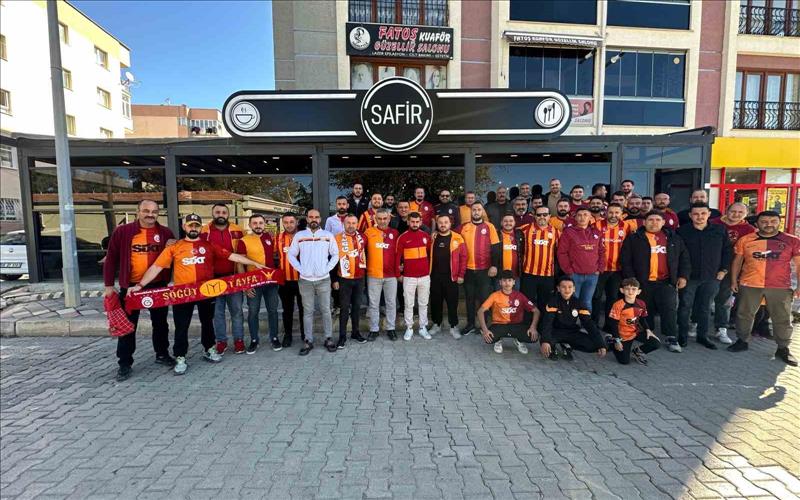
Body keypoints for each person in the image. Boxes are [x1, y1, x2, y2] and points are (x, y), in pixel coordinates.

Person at [129, 214, 266, 375]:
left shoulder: (209, 245)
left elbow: (231, 256)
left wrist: (254, 263)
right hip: (183, 294)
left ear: (201, 228)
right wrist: (140, 285)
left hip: (205, 292)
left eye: (196, 225)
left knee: (207, 323)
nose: (193, 228)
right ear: (184, 227)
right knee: (182, 326)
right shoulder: (175, 247)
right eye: (190, 225)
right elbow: (156, 267)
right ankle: (180, 356)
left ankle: (209, 349)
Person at [103, 199, 176, 381]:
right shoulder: (123, 231)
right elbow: (111, 258)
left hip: (158, 285)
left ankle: (162, 354)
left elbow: (174, 256)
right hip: (131, 287)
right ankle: (125, 363)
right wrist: (109, 285)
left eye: (154, 211)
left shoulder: (166, 233)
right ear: (138, 211)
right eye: (146, 211)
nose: (150, 214)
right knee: (128, 326)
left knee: (161, 323)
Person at [728, 211, 800, 366]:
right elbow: (737, 261)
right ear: (757, 223)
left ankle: (783, 348)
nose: (769, 224)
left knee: (782, 317)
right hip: (750, 283)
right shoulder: (746, 240)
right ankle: (742, 341)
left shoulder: (792, 240)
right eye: (764, 221)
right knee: (744, 314)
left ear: (779, 222)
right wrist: (733, 280)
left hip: (780, 286)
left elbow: (799, 264)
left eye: (773, 221)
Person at [620, 211, 690, 353]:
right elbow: (626, 261)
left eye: (658, 220)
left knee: (669, 309)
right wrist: (631, 280)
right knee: (645, 309)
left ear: (663, 222)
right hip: (642, 282)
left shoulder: (674, 238)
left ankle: (671, 337)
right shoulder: (634, 238)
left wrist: (683, 276)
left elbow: (684, 258)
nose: (654, 223)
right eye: (650, 220)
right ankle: (647, 333)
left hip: (666, 282)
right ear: (644, 222)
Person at [676, 203, 732, 350]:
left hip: (712, 276)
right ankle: (682, 335)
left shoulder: (720, 230)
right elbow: (677, 255)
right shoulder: (682, 231)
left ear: (709, 214)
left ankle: (702, 336)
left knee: (705, 307)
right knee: (684, 306)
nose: (699, 217)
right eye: (696, 214)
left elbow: (727, 251)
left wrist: (724, 270)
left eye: (703, 213)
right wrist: (680, 275)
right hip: (688, 277)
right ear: (690, 215)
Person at [287, 209, 339, 356]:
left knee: (326, 310)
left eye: (316, 217)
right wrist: (301, 269)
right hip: (305, 280)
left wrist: (327, 269)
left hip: (323, 280)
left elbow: (335, 254)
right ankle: (308, 340)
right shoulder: (300, 236)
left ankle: (328, 338)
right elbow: (291, 255)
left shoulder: (328, 235)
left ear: (320, 219)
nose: (314, 219)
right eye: (311, 217)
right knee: (308, 311)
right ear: (307, 219)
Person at [200, 203, 245, 355]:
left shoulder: (238, 230)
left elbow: (245, 251)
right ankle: (221, 341)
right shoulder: (203, 231)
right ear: (213, 214)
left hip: (233, 277)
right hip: (212, 279)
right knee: (217, 313)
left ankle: (239, 340)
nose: (221, 214)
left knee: (237, 311)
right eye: (217, 212)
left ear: (228, 214)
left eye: (224, 212)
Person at [710, 202, 754, 343]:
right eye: (733, 211)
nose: (736, 215)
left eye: (740, 212)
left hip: (732, 269)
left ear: (746, 214)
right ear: (726, 211)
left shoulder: (749, 230)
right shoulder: (713, 223)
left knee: (724, 299)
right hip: (710, 267)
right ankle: (696, 323)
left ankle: (721, 328)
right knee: (704, 297)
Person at [238, 214, 281, 352]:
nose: (258, 225)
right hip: (253, 282)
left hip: (271, 282)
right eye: (255, 223)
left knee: (273, 311)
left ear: (264, 224)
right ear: (250, 225)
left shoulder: (269, 237)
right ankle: (254, 340)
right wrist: (245, 285)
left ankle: (274, 338)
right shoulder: (243, 241)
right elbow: (240, 263)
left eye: (260, 223)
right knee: (253, 312)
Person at [457, 201, 500, 336]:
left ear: (482, 212)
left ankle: (483, 325)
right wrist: (435, 233)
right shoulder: (463, 227)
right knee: (469, 298)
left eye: (479, 210)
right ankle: (470, 324)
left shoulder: (489, 226)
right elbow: (450, 235)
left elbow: (495, 248)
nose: (476, 212)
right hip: (468, 270)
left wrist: (494, 265)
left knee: (484, 299)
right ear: (471, 211)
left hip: (484, 270)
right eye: (474, 210)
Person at [539, 276, 607, 361]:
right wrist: (545, 341)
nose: (567, 290)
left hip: (571, 332)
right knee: (546, 342)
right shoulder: (553, 301)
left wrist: (601, 344)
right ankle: (552, 348)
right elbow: (547, 322)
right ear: (558, 289)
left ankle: (566, 345)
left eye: (570, 287)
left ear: (574, 289)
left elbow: (589, 323)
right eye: (563, 287)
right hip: (555, 331)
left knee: (594, 345)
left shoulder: (578, 303)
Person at [478, 270, 540, 355]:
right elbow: (480, 311)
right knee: (489, 339)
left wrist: (533, 327)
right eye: (504, 280)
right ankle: (498, 340)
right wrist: (485, 330)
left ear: (514, 282)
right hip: (499, 325)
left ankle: (519, 340)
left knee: (533, 337)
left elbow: (536, 311)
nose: (507, 283)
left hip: (516, 325)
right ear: (500, 282)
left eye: (510, 280)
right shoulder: (494, 295)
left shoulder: (520, 296)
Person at [557, 207, 604, 312]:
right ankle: (572, 321)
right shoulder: (568, 232)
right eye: (579, 215)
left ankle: (586, 322)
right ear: (575, 218)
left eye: (585, 215)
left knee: (587, 302)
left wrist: (599, 269)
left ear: (590, 217)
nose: (582, 217)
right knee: (573, 301)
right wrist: (569, 270)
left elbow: (601, 251)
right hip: (574, 275)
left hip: (592, 275)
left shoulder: (597, 233)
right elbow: (562, 253)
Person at [364, 208, 401, 341]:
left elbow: (400, 252)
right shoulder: (368, 232)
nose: (382, 221)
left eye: (385, 218)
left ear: (389, 219)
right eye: (379, 218)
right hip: (373, 274)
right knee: (374, 304)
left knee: (391, 303)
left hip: (391, 275)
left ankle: (391, 328)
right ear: (375, 219)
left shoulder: (395, 233)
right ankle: (374, 330)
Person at [332, 214, 367, 348]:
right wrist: (334, 279)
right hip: (344, 278)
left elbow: (367, 254)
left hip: (359, 278)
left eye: (353, 223)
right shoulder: (336, 238)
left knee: (357, 307)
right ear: (344, 224)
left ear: (357, 224)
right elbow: (332, 259)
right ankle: (342, 336)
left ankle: (355, 333)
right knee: (344, 308)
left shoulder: (363, 237)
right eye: (348, 223)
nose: (351, 225)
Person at [429, 214, 467, 339]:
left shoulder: (458, 238)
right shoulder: (433, 237)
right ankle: (437, 324)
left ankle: (453, 326)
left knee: (452, 303)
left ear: (450, 224)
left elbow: (464, 258)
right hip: (435, 276)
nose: (443, 225)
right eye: (440, 222)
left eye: (446, 222)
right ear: (437, 224)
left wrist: (461, 274)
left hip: (451, 277)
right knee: (435, 302)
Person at [607, 278, 662, 365]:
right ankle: (611, 341)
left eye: (633, 289)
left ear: (638, 291)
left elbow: (642, 318)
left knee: (656, 343)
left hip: (635, 332)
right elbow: (613, 324)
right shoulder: (618, 305)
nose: (630, 291)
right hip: (623, 335)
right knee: (624, 361)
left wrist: (648, 330)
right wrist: (617, 340)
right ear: (622, 290)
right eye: (627, 289)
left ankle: (637, 352)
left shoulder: (641, 303)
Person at [396, 212, 432, 340]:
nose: (415, 224)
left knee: (423, 303)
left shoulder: (426, 237)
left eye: (417, 222)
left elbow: (431, 255)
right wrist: (398, 274)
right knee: (408, 304)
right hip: (409, 277)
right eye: (412, 222)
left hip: (424, 277)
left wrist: (429, 271)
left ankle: (422, 327)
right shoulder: (402, 237)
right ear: (408, 222)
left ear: (421, 222)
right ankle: (409, 328)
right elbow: (397, 257)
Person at [592, 203, 628, 329]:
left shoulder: (626, 227)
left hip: (617, 270)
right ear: (606, 213)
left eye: (617, 212)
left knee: (612, 298)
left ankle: (609, 326)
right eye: (611, 212)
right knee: (596, 296)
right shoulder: (596, 225)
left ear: (621, 214)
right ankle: (594, 324)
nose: (613, 215)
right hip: (599, 269)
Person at [520, 207, 560, 311]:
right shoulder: (525, 229)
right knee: (527, 303)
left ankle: (543, 322)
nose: (542, 217)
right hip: (529, 274)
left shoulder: (556, 232)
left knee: (545, 304)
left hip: (547, 275)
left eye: (545, 214)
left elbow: (561, 252)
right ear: (534, 216)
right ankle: (528, 321)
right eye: (539, 215)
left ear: (549, 216)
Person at [275, 212, 304, 348]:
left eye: (291, 222)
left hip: (302, 280)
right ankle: (288, 335)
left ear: (297, 222)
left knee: (304, 309)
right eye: (286, 222)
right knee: (287, 310)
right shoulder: (278, 238)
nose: (289, 225)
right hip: (285, 281)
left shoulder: (304, 237)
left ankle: (305, 334)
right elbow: (272, 257)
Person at [499, 214, 525, 289]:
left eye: (511, 221)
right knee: (499, 296)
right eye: (505, 221)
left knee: (515, 295)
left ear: (514, 223)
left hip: (515, 275)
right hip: (500, 276)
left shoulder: (519, 235)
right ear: (501, 223)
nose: (508, 223)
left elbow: (522, 252)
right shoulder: (497, 234)